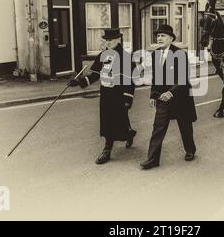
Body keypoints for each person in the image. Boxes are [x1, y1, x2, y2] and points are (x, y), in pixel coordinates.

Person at [69, 28, 136, 165]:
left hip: (120, 94)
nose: (108, 42)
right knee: (107, 120)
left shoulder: (126, 57)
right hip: (106, 94)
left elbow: (130, 79)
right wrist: (79, 82)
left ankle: (116, 142)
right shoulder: (102, 55)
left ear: (118, 40)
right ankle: (114, 144)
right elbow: (95, 75)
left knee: (118, 119)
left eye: (110, 40)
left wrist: (128, 98)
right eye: (106, 40)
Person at [140, 25, 197, 170]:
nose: (159, 38)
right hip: (163, 98)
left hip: (180, 96)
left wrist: (170, 92)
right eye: (158, 36)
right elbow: (156, 77)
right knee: (158, 127)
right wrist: (153, 94)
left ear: (171, 39)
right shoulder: (155, 54)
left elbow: (182, 78)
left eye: (163, 36)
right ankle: (152, 159)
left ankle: (190, 150)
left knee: (185, 126)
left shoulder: (180, 54)